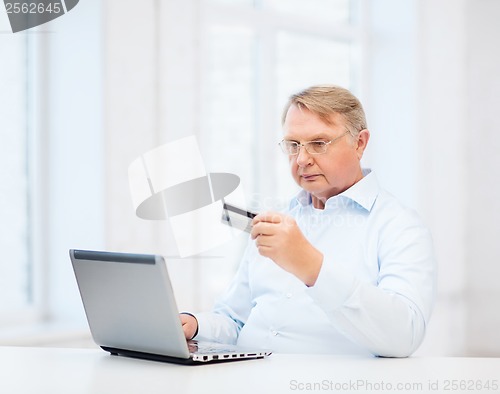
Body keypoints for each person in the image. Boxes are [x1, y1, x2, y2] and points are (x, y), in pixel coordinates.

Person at [180, 85, 436, 357]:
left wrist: (313, 267)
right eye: (293, 145)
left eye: (318, 143)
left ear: (360, 143)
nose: (302, 159)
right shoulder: (279, 219)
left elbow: (404, 336)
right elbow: (235, 319)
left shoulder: (400, 226)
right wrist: (194, 325)